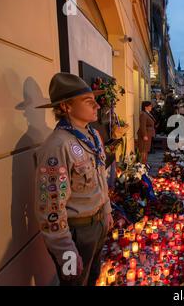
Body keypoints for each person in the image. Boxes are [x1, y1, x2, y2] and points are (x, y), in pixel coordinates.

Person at [35, 73, 113, 286]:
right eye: (89, 102)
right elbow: (50, 207)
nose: (97, 106)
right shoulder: (57, 146)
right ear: (66, 107)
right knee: (73, 281)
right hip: (76, 233)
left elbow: (100, 178)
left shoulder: (93, 136)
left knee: (93, 276)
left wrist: (106, 211)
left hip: (97, 225)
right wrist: (64, 250)